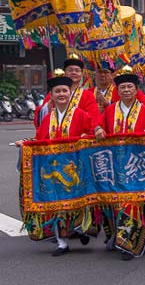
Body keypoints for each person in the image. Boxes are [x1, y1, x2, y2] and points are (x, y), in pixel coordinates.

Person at [17, 70, 94, 256]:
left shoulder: (81, 114)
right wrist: (26, 144)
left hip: (75, 167)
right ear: (51, 95)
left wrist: (86, 138)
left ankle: (80, 229)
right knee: (58, 205)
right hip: (54, 168)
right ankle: (62, 242)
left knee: (78, 202)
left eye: (64, 91)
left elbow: (92, 135)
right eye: (57, 91)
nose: (61, 94)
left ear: (70, 93)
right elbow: (40, 139)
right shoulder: (48, 118)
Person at [95, 66, 145, 260]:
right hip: (116, 166)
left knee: (134, 202)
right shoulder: (110, 110)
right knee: (116, 203)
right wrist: (99, 130)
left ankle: (130, 242)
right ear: (117, 91)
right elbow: (100, 125)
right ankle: (118, 237)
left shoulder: (143, 110)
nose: (126, 90)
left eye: (130, 87)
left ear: (136, 90)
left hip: (138, 166)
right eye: (123, 87)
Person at [35, 53, 100, 129]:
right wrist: (50, 104)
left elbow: (93, 118)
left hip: (79, 135)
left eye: (77, 70)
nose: (73, 73)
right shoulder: (54, 94)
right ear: (65, 73)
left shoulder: (87, 95)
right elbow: (41, 117)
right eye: (70, 70)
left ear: (82, 74)